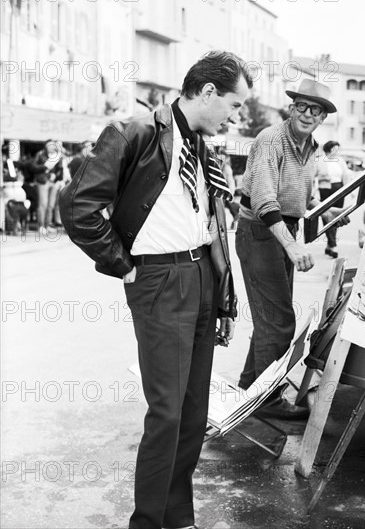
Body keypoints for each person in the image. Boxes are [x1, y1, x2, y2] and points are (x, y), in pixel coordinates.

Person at [60, 51, 252, 529]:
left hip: (202, 278)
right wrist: (122, 265)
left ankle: (177, 517)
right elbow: (80, 208)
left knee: (192, 412)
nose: (236, 115)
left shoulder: (204, 147)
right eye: (234, 104)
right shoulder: (136, 132)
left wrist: (224, 295)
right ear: (207, 92)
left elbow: (210, 224)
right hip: (160, 280)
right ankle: (147, 522)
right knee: (167, 412)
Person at [236, 78, 348, 419]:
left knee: (270, 318)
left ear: (322, 118)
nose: (307, 114)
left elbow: (303, 195)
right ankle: (267, 401)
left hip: (282, 228)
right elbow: (264, 199)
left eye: (316, 110)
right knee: (280, 322)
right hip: (260, 230)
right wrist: (291, 246)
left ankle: (249, 388)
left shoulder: (311, 147)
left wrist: (325, 210)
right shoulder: (271, 140)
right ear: (291, 107)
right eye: (302, 106)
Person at [315, 140, 351, 258]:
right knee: (327, 216)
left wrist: (349, 190)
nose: (336, 152)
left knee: (337, 217)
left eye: (337, 149)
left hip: (339, 190)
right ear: (328, 149)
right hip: (325, 190)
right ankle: (332, 244)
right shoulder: (320, 161)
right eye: (334, 149)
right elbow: (312, 177)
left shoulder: (340, 161)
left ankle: (330, 245)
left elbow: (346, 175)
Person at [32, 139, 64, 232]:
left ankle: (48, 225)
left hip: (53, 182)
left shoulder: (58, 156)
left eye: (52, 145)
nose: (51, 146)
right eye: (49, 145)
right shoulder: (40, 154)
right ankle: (41, 226)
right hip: (43, 181)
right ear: (46, 146)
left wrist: (55, 175)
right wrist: (44, 167)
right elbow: (33, 167)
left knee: (51, 205)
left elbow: (60, 170)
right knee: (43, 204)